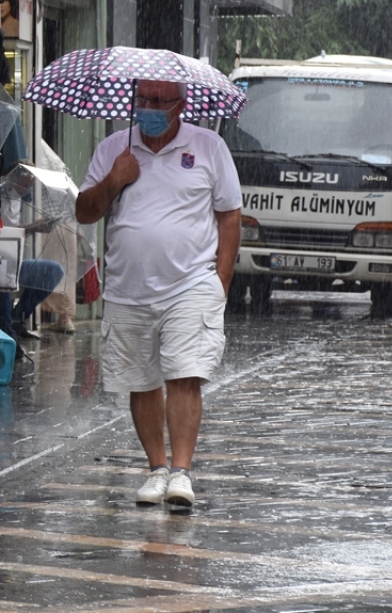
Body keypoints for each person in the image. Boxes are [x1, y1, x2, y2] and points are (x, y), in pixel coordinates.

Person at [75, 80, 242, 507]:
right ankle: (157, 468)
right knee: (141, 381)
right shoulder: (114, 147)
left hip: (191, 283)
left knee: (184, 374)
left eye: (158, 101)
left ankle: (182, 472)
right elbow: (85, 211)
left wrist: (221, 280)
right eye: (142, 100)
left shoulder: (208, 146)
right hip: (128, 288)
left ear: (179, 105)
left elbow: (229, 217)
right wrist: (114, 179)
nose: (148, 108)